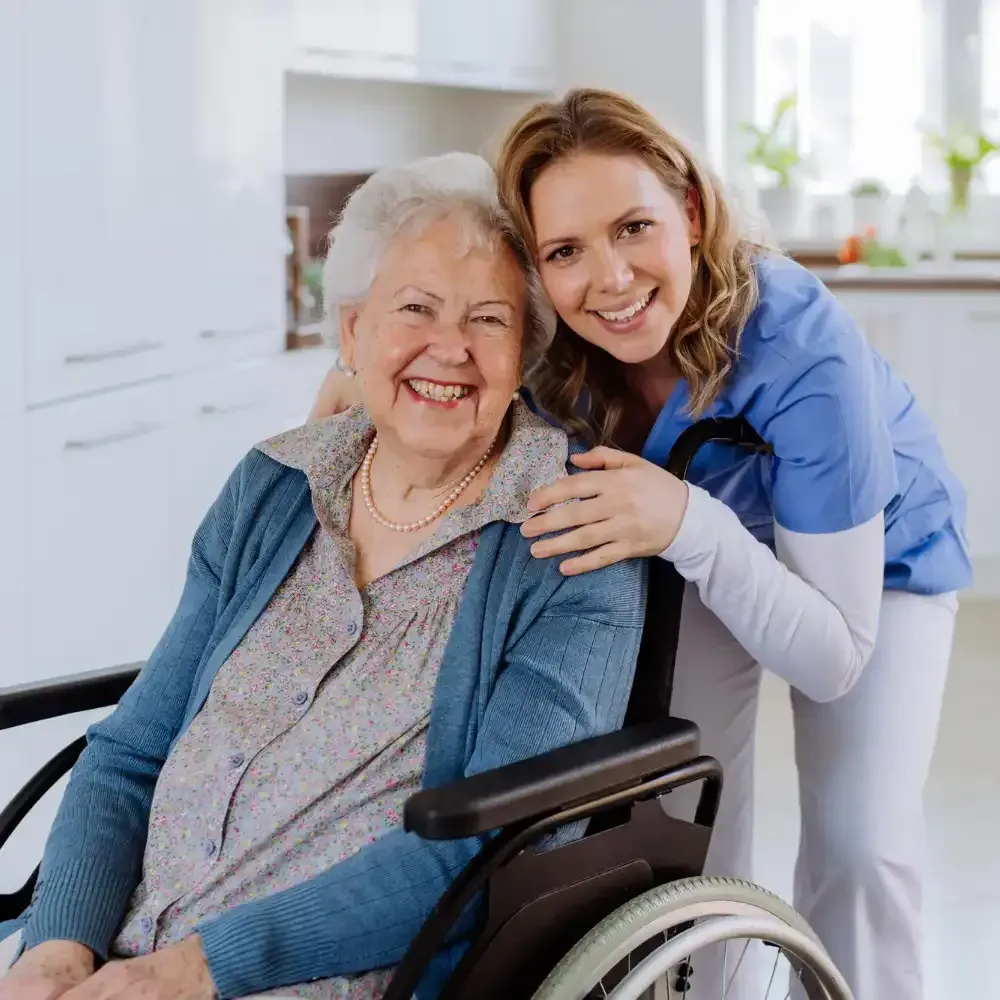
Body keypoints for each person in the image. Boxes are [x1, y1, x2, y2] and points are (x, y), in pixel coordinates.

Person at [309, 91, 970, 1000]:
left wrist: (692, 523)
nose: (610, 280)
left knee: (862, 848)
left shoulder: (802, 353)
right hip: (683, 543)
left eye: (634, 228)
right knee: (684, 804)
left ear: (690, 213)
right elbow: (436, 346)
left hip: (875, 570)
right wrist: (359, 382)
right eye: (567, 252)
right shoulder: (552, 342)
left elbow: (832, 659)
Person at [0, 151, 649, 1000]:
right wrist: (56, 949)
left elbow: (493, 845)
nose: (447, 348)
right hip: (115, 951)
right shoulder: (274, 485)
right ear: (353, 334)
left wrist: (193, 972)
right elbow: (130, 755)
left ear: (525, 350)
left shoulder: (570, 535)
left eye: (488, 320)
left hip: (322, 974)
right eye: (414, 308)